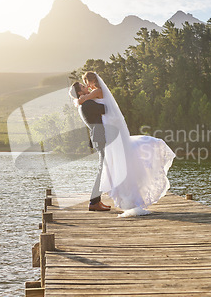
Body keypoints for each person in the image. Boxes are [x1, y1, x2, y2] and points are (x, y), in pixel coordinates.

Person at [75, 71, 176, 217]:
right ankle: (97, 200)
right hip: (105, 134)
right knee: (109, 165)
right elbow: (97, 106)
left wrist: (78, 99)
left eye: (86, 82)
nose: (86, 86)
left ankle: (100, 199)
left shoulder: (96, 93)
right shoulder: (92, 98)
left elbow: (88, 102)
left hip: (107, 133)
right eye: (83, 85)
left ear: (92, 81)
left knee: (111, 164)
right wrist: (79, 99)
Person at [69, 82, 111, 211]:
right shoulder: (88, 104)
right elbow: (107, 108)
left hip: (99, 139)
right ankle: (94, 202)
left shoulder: (85, 103)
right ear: (80, 93)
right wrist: (95, 94)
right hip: (101, 139)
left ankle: (97, 201)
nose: (86, 86)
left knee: (104, 170)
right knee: (102, 171)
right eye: (83, 87)